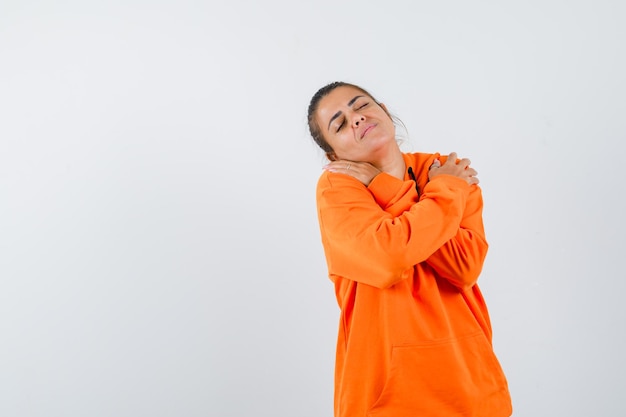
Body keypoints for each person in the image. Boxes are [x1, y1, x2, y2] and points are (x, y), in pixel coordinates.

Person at [307, 81, 513, 417]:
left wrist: (383, 187)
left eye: (361, 106)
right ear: (334, 155)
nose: (356, 119)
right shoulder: (337, 187)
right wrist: (439, 191)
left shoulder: (445, 168)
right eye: (340, 124)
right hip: (386, 400)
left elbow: (464, 267)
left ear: (384, 112)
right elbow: (389, 257)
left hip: (471, 389)